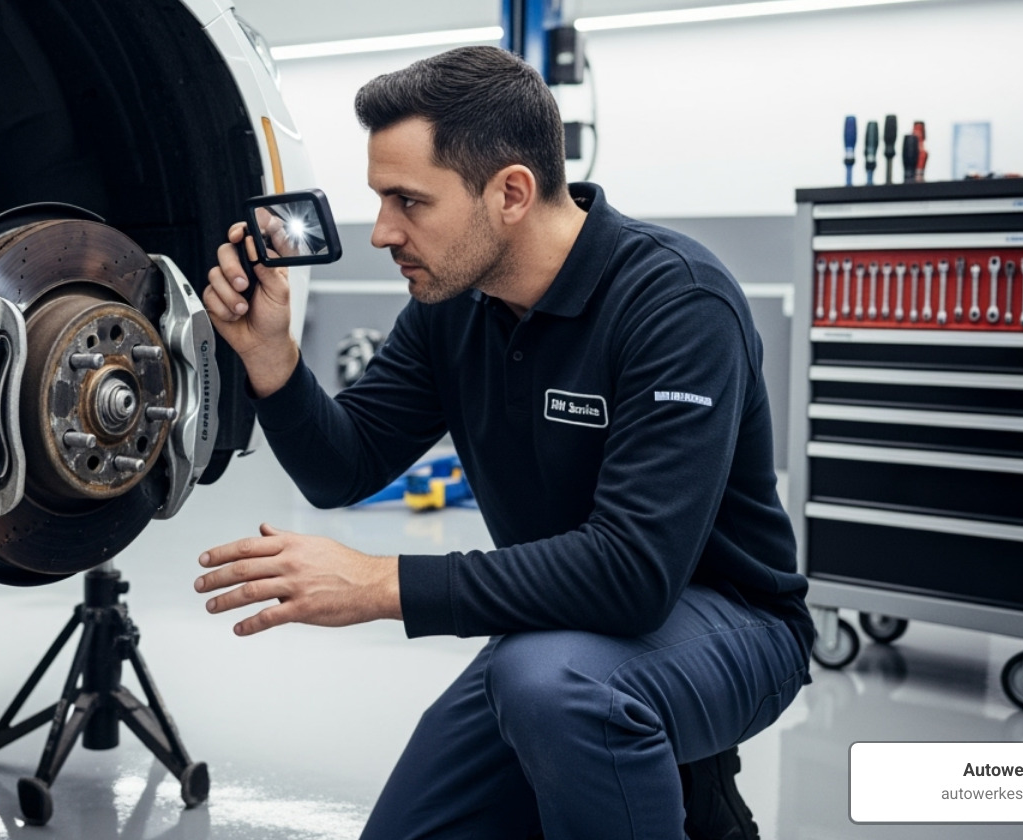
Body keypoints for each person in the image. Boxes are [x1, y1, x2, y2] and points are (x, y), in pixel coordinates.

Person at [196, 46, 812, 839]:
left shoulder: (677, 304)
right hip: (561, 629)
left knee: (554, 687)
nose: (382, 231)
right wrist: (272, 361)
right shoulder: (453, 308)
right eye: (380, 199)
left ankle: (687, 785)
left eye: (408, 201)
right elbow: (343, 467)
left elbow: (633, 574)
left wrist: (382, 582)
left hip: (734, 622)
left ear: (511, 192)